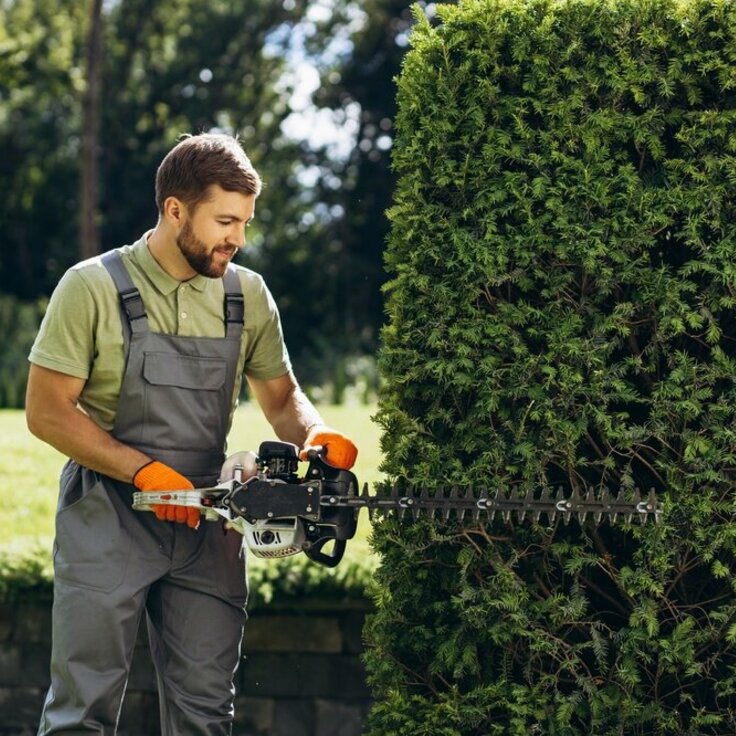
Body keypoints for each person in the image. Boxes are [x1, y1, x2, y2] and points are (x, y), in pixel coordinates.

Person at [25, 132, 358, 735]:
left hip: (210, 519)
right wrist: (142, 471)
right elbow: (47, 412)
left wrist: (315, 433)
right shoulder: (92, 287)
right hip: (109, 515)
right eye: (226, 220)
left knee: (206, 714)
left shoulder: (246, 294)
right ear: (175, 209)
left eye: (246, 222)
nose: (239, 238)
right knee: (82, 712)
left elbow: (281, 396)